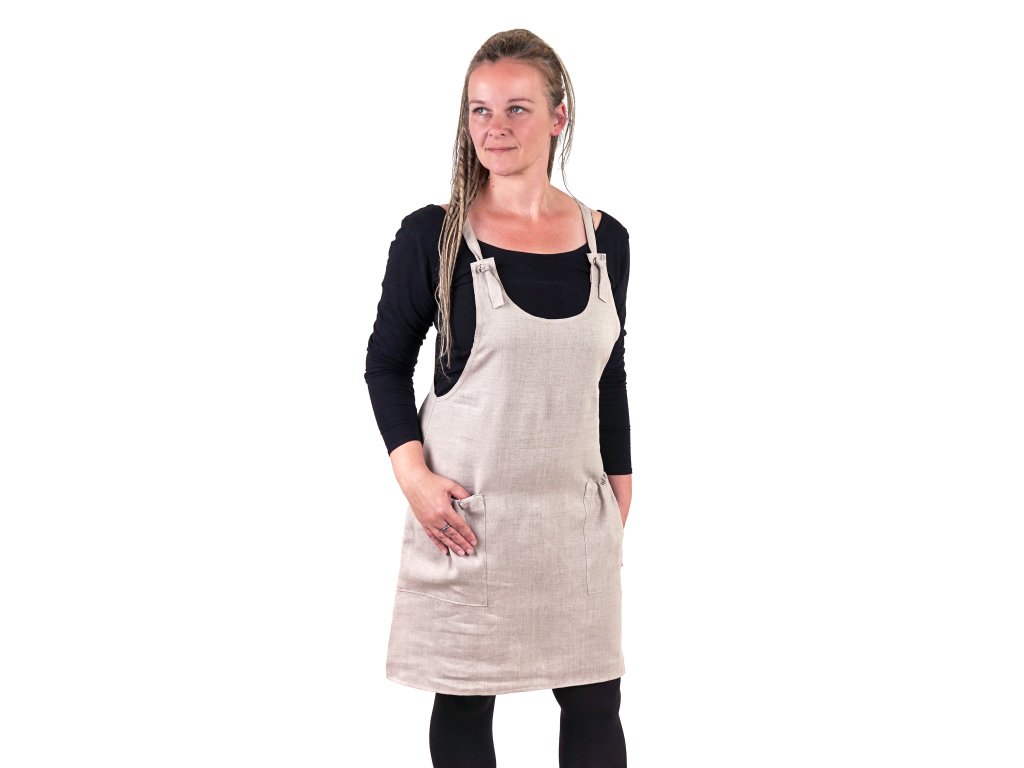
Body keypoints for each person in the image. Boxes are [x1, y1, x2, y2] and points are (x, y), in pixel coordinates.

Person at [364, 29, 632, 768]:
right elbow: (385, 364)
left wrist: (621, 489)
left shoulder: (606, 241)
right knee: (465, 698)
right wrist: (414, 478)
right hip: (469, 518)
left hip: (575, 518)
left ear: (558, 117)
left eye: (517, 108)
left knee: (594, 701)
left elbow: (609, 372)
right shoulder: (435, 235)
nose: (495, 127)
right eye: (480, 110)